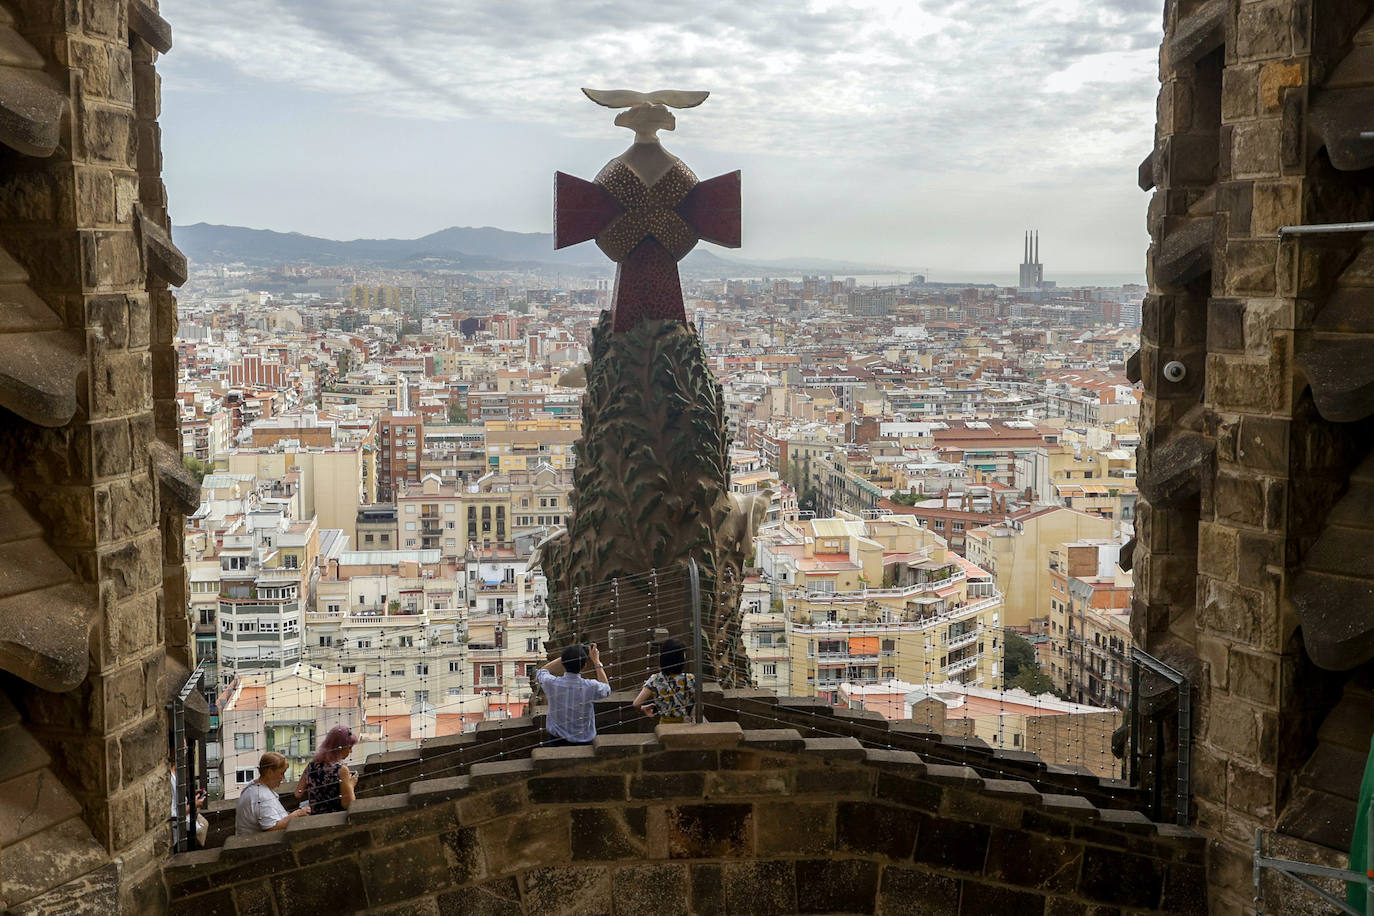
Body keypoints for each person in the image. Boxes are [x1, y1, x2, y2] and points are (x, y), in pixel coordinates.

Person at [536, 643, 611, 746]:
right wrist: (596, 661)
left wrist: (567, 656)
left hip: (556, 742)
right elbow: (606, 689)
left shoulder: (552, 683)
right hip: (585, 742)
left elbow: (541, 671)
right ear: (584, 666)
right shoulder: (590, 686)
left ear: (563, 663)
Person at [236, 752, 310, 835]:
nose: (283, 778)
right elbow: (271, 828)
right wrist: (297, 814)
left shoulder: (252, 787)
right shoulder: (262, 796)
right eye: (282, 773)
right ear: (270, 772)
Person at [295, 724, 359, 814]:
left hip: (313, 818)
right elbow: (348, 804)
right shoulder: (341, 770)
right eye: (349, 747)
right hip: (333, 820)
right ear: (340, 748)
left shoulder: (312, 765)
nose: (351, 751)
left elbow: (298, 793)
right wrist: (350, 784)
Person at [632, 638, 695, 723]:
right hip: (685, 725)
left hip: (665, 725)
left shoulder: (655, 679)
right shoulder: (690, 678)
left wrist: (643, 708)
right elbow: (697, 702)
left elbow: (636, 704)